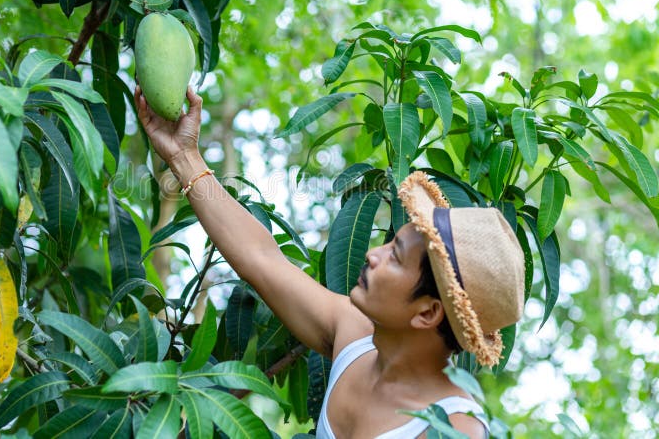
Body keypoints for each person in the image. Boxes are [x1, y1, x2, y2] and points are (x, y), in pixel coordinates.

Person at [136, 86, 525, 439]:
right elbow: (261, 258)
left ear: (428, 312)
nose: (373, 254)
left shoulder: (454, 429)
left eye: (396, 256)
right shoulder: (354, 337)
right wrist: (183, 156)